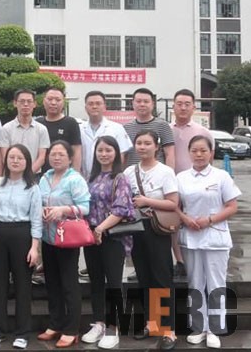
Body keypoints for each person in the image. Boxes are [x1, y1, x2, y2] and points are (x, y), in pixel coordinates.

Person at [178, 135, 239, 350]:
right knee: (195, 283)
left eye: (203, 150)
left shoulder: (221, 176)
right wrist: (185, 219)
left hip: (215, 237)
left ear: (211, 153)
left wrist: (210, 220)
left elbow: (232, 206)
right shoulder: (181, 177)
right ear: (189, 153)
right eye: (194, 150)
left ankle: (215, 329)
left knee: (216, 283)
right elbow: (175, 205)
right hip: (190, 236)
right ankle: (198, 327)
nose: (199, 154)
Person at [0, 144, 41, 350]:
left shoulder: (32, 188)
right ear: (6, 161)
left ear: (27, 162)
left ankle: (22, 332)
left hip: (22, 234)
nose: (15, 161)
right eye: (12, 157)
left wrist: (34, 247)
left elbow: (36, 220)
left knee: (23, 285)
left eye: (20, 158)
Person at [123, 131, 179, 350]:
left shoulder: (165, 171)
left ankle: (169, 330)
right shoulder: (129, 172)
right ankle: (152, 323)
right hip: (136, 229)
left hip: (157, 229)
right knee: (144, 278)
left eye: (147, 143)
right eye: (139, 143)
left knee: (161, 278)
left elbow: (173, 203)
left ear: (157, 147)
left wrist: (147, 201)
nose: (143, 147)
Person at [81, 136, 136, 349]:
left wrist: (101, 228)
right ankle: (99, 323)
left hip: (112, 236)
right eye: (100, 150)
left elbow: (121, 209)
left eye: (108, 150)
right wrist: (91, 230)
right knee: (95, 281)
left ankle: (114, 328)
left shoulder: (120, 178)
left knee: (113, 283)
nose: (103, 154)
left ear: (116, 153)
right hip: (91, 237)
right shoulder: (92, 177)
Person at [37, 140, 90, 348]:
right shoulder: (45, 178)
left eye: (61, 154)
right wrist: (42, 210)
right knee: (52, 282)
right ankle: (55, 323)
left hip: (67, 239)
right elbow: (39, 201)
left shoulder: (75, 179)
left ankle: (71, 329)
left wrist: (63, 210)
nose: (56, 158)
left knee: (69, 284)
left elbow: (85, 207)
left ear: (69, 158)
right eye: (53, 154)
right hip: (48, 237)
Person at [170, 89, 214, 280]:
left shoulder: (203, 132)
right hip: (172, 185)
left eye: (187, 104)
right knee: (173, 223)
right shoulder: (166, 130)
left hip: (195, 185)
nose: (183, 107)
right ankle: (179, 261)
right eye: (179, 104)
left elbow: (210, 159)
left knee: (194, 220)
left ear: (194, 107)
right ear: (173, 106)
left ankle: (196, 259)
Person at [79, 91, 132, 178]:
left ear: (104, 107)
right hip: (85, 178)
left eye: (98, 103)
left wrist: (114, 175)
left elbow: (122, 155)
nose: (94, 106)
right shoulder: (79, 129)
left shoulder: (117, 128)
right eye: (91, 104)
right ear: (85, 108)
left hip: (110, 178)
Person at [0, 89, 50, 174]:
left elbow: (41, 158)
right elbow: (5, 157)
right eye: (22, 101)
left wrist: (28, 175)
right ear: (15, 103)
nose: (26, 104)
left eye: (29, 101)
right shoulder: (6, 129)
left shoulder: (42, 129)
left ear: (34, 104)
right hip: (12, 175)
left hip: (34, 175)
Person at [123, 88, 175, 168]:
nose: (142, 104)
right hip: (133, 174)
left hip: (157, 173)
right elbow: (124, 155)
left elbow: (169, 154)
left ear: (153, 104)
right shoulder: (126, 128)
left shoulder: (163, 125)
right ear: (133, 103)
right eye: (138, 101)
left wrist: (169, 173)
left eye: (146, 101)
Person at [36, 88, 82, 174]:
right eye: (50, 99)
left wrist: (75, 175)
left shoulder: (71, 123)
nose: (53, 103)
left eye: (58, 100)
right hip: (39, 174)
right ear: (44, 101)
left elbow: (76, 151)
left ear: (63, 102)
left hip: (64, 173)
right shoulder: (37, 123)